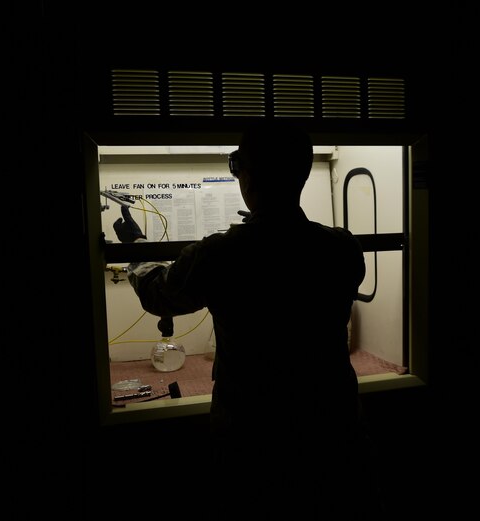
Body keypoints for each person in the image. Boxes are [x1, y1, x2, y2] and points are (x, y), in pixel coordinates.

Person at [114, 120, 375, 512]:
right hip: (331, 420)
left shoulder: (220, 253)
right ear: (303, 173)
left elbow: (160, 295)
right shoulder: (342, 248)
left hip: (251, 429)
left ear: (247, 178)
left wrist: (135, 247)